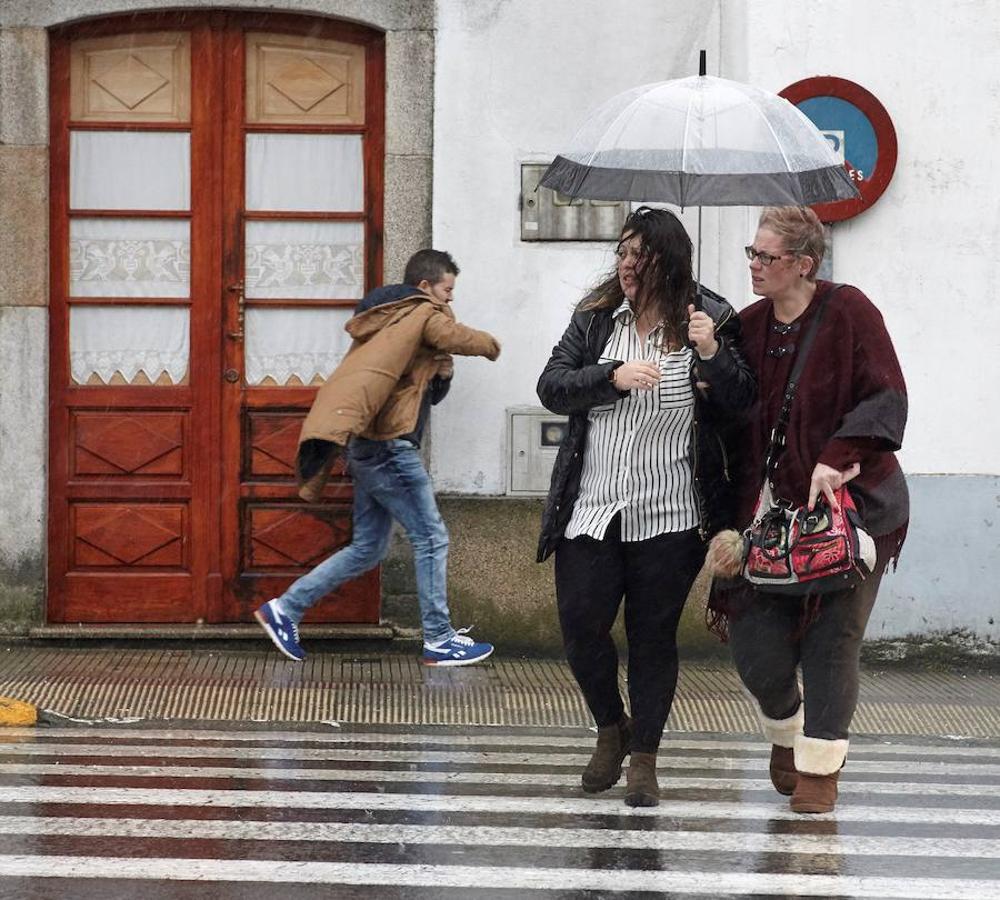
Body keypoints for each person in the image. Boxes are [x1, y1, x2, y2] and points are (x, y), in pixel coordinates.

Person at [536, 206, 756, 807]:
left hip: (671, 513)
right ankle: (612, 727)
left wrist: (713, 354)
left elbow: (742, 404)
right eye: (623, 252)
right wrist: (610, 377)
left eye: (640, 255)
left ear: (670, 261)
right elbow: (551, 386)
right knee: (581, 625)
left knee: (652, 637)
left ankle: (645, 760)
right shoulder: (596, 318)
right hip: (592, 506)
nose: (627, 265)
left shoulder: (711, 318)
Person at [707, 206, 908, 814]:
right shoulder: (746, 327)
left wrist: (836, 456)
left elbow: (886, 396)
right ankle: (785, 727)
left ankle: (820, 767)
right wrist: (709, 362)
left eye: (766, 256)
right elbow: (728, 413)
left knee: (832, 638)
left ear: (803, 263)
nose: (754, 265)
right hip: (765, 521)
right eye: (752, 253)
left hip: (848, 512)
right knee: (754, 645)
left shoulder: (850, 312)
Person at [255, 250, 501, 667]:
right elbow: (459, 337)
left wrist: (442, 374)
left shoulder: (392, 323)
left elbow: (425, 397)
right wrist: (493, 345)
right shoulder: (420, 312)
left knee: (368, 548)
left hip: (370, 446)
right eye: (447, 290)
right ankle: (439, 638)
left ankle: (286, 609)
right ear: (425, 287)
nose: (450, 300)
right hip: (389, 448)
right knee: (431, 538)